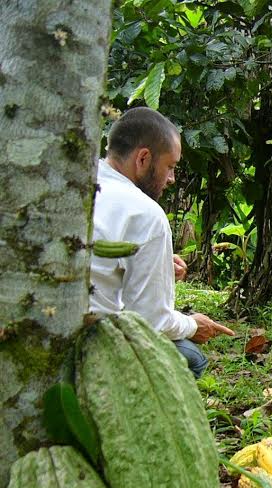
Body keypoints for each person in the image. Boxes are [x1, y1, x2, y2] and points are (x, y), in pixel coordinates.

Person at [90, 107, 234, 378]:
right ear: (143, 158)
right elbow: (151, 322)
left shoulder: (81, 180)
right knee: (191, 357)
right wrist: (192, 325)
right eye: (170, 166)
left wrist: (158, 261)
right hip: (92, 344)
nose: (172, 179)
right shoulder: (146, 213)